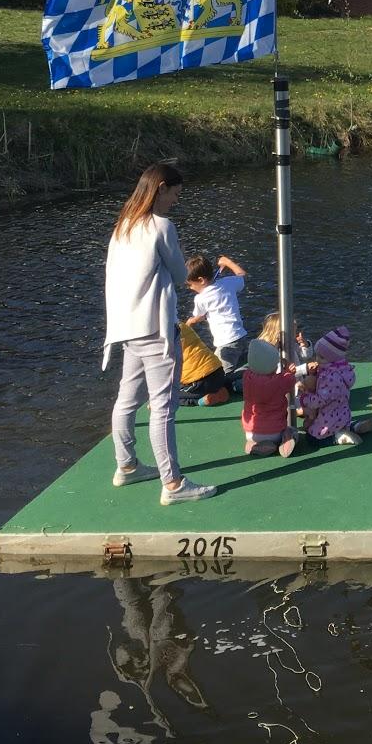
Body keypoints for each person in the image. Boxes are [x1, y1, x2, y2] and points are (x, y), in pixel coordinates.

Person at [105, 163, 216, 504]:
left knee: (126, 401)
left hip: (128, 330)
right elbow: (182, 271)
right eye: (175, 194)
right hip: (156, 331)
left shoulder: (123, 225)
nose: (175, 202)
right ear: (162, 188)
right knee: (163, 408)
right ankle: (173, 485)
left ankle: (126, 466)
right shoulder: (161, 227)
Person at [184, 253, 249, 389]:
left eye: (191, 285)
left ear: (201, 280)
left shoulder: (200, 299)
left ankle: (249, 384)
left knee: (219, 380)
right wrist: (228, 262)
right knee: (237, 365)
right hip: (241, 336)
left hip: (226, 343)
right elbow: (241, 275)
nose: (190, 288)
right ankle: (249, 374)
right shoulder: (228, 283)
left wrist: (191, 322)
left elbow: (199, 316)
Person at [241, 337, 310, 457]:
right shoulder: (276, 382)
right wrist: (288, 371)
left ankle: (253, 444)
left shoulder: (247, 378)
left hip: (250, 430)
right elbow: (289, 381)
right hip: (274, 431)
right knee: (291, 430)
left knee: (256, 433)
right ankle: (284, 442)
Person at [176, 321, 228, 407]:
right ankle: (220, 388)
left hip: (199, 382)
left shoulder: (163, 337)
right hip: (218, 372)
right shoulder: (182, 325)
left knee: (170, 395)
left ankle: (201, 401)